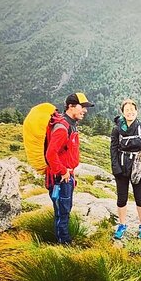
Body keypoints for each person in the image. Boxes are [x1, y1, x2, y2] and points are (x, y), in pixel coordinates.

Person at [45, 92, 94, 244]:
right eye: (82, 107)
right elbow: (51, 154)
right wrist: (63, 171)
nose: (85, 110)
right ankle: (64, 244)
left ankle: (62, 241)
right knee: (63, 212)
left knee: (63, 211)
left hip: (66, 175)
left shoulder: (70, 124)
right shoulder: (62, 128)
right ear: (71, 106)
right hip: (60, 178)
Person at [110, 99, 141, 239]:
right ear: (122, 113)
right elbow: (113, 148)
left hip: (138, 167)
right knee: (121, 198)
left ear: (137, 111)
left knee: (139, 198)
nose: (130, 112)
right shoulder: (117, 129)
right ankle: (122, 225)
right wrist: (115, 167)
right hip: (122, 166)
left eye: (132, 109)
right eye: (127, 110)